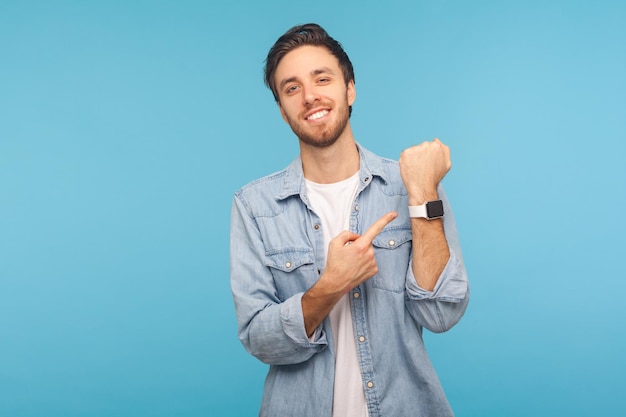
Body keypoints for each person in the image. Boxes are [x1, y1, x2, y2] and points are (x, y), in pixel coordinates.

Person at [230, 23, 469, 417]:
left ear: (350, 88)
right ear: (282, 109)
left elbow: (440, 312)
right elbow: (260, 340)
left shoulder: (411, 184)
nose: (309, 96)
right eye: (291, 88)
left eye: (322, 78)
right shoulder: (254, 205)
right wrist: (329, 286)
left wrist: (424, 195)